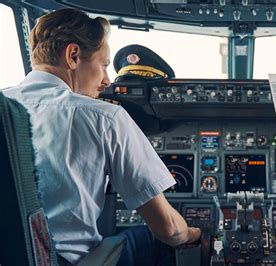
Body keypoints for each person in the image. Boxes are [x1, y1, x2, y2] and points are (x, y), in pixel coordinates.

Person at [2, 8, 200, 265]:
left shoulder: (4, 107)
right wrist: (194, 234)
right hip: (66, 261)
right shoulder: (104, 117)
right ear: (73, 56)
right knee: (160, 242)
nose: (107, 80)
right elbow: (169, 229)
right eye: (104, 64)